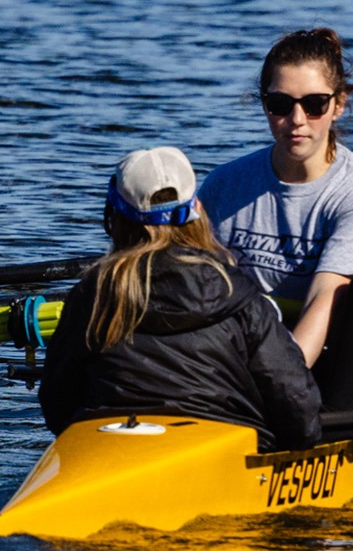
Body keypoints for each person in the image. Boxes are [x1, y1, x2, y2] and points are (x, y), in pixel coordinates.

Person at [39, 147, 322, 451]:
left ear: (116, 216)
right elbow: (295, 401)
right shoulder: (236, 292)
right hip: (224, 448)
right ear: (197, 209)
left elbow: (57, 402)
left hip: (110, 443)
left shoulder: (93, 293)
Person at [197, 28, 353, 410]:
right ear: (264, 105)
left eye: (314, 104)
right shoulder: (224, 185)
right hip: (250, 361)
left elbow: (323, 299)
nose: (296, 119)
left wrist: (277, 392)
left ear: (339, 104)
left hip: (336, 366)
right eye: (280, 104)